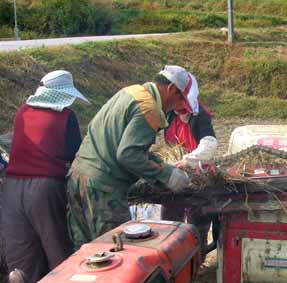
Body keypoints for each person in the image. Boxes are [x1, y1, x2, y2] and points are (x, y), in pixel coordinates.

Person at [67, 65, 193, 250]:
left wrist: (163, 165)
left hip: (77, 177)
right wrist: (167, 176)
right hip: (102, 188)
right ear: (171, 89)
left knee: (83, 253)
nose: (178, 106)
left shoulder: (131, 92)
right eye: (180, 98)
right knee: (115, 253)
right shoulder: (148, 108)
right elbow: (128, 155)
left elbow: (129, 147)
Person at [1, 70, 88, 283]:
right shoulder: (65, 116)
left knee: (22, 252)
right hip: (45, 187)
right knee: (56, 247)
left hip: (11, 187)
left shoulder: (23, 111)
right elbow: (74, 153)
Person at [160, 73, 219, 255]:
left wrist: (188, 160)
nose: (180, 111)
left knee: (197, 220)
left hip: (197, 172)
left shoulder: (199, 116)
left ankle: (198, 255)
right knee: (170, 217)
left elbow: (210, 144)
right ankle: (173, 255)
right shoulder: (169, 114)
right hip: (175, 170)